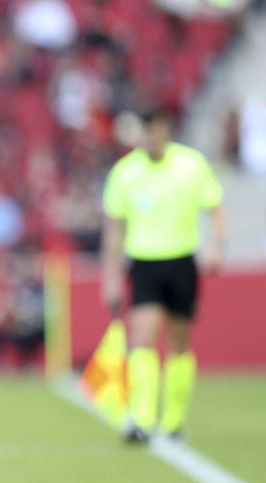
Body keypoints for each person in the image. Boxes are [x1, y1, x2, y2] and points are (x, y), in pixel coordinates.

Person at [100, 108, 226, 443]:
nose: (152, 138)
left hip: (182, 260)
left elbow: (215, 207)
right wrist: (110, 278)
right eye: (147, 132)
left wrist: (215, 246)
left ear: (166, 131)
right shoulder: (125, 173)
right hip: (144, 262)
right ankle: (142, 417)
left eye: (157, 131)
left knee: (179, 342)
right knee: (142, 336)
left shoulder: (191, 165)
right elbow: (113, 230)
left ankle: (173, 419)